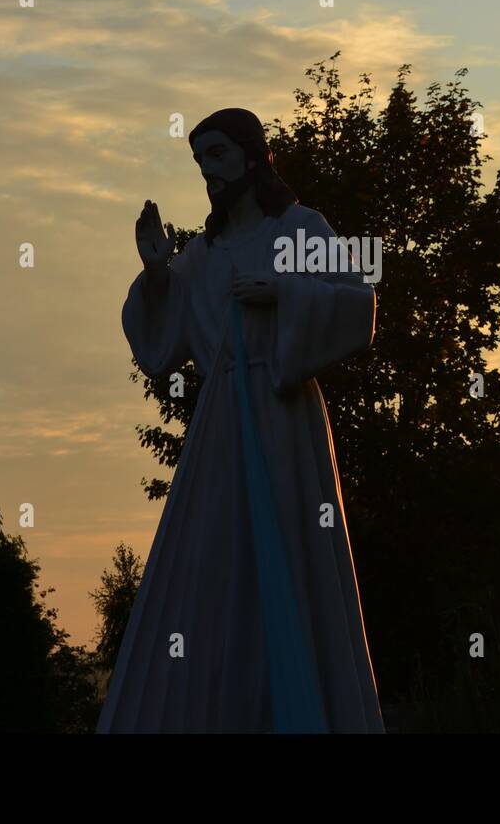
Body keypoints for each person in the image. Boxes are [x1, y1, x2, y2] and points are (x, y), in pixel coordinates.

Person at [96, 107, 386, 733]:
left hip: (283, 417)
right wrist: (154, 275)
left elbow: (359, 304)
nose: (210, 173)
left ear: (254, 157)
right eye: (201, 162)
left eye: (220, 157)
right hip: (222, 426)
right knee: (212, 565)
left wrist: (284, 294)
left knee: (287, 553)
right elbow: (160, 347)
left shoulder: (302, 229)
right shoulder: (202, 256)